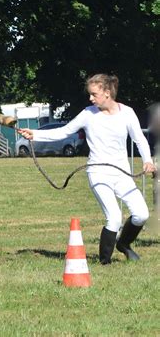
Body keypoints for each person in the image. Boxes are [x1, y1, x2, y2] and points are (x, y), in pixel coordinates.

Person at [18, 74, 156, 264]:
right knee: (114, 218)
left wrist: (148, 161)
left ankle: (124, 244)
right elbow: (64, 131)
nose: (90, 98)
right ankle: (105, 263)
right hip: (98, 173)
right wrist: (35, 134)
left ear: (107, 93)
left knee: (142, 214)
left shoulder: (127, 113)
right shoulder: (88, 114)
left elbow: (139, 139)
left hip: (122, 173)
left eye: (94, 94)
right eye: (90, 94)